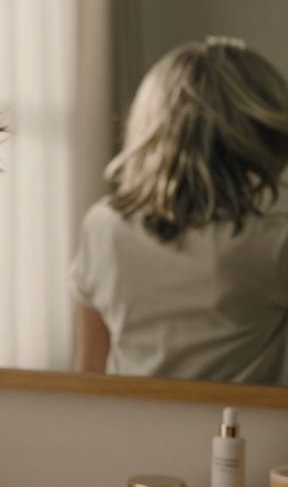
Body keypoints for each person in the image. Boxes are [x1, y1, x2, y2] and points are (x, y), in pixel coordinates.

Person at [71, 37, 288, 384]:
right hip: (238, 433)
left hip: (125, 428)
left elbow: (88, 372)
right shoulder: (274, 242)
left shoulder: (103, 226)